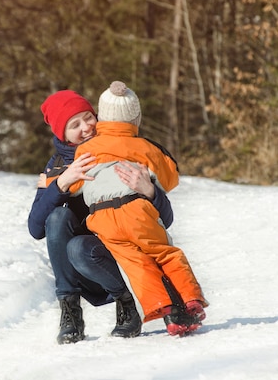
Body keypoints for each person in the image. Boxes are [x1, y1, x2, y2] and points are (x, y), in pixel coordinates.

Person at [27, 89, 177, 344]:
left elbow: (167, 219)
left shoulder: (124, 149)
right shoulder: (57, 167)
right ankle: (76, 310)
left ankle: (162, 300)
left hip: (133, 252)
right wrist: (62, 183)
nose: (86, 127)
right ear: (61, 134)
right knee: (58, 221)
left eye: (88, 117)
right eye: (75, 125)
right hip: (92, 261)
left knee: (79, 244)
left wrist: (149, 191)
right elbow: (36, 228)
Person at [68, 81, 208, 336]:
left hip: (103, 218)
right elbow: (170, 177)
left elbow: (75, 183)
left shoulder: (86, 149)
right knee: (165, 254)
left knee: (136, 262)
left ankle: (161, 306)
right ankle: (190, 298)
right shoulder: (145, 147)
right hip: (135, 211)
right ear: (136, 118)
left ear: (102, 119)